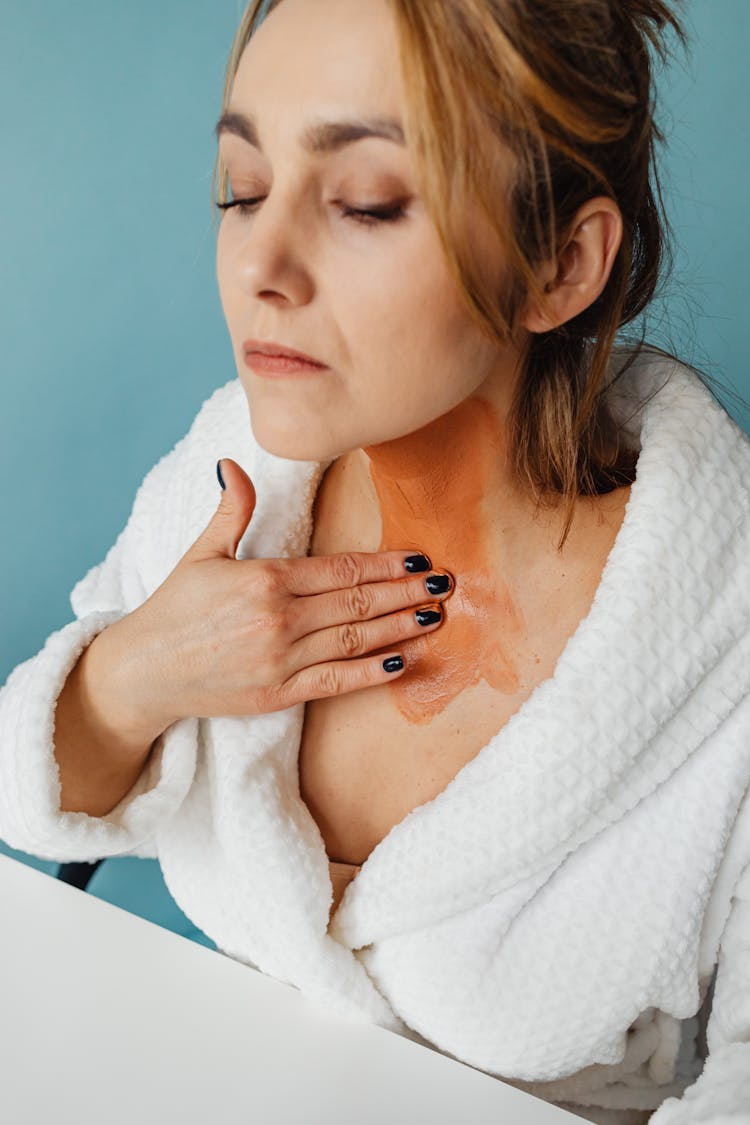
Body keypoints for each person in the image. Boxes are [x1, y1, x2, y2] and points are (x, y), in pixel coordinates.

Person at [1, 1, 748, 1121]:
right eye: (239, 188)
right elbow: (33, 794)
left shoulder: (722, 645)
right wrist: (134, 676)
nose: (260, 259)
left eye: (365, 203)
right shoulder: (235, 474)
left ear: (559, 263)